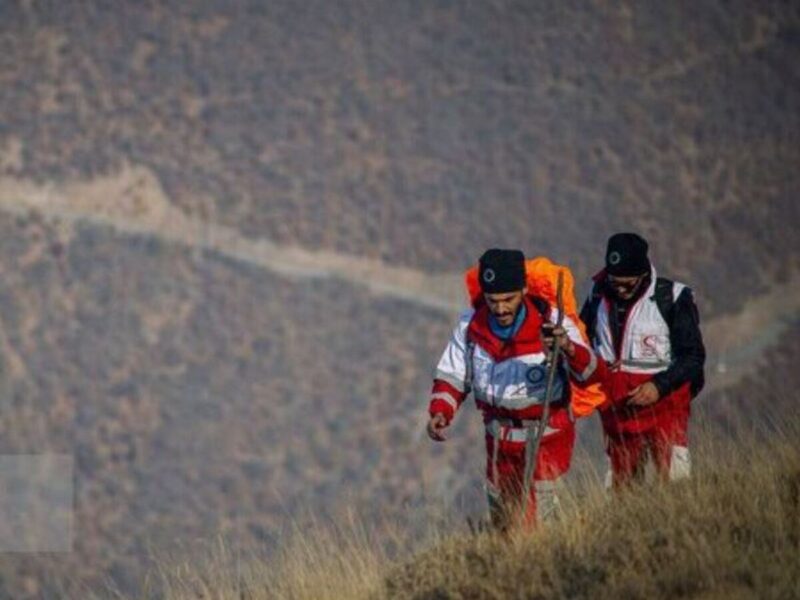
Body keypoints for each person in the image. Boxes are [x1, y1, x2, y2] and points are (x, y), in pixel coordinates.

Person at [426, 249, 602, 529]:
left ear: (523, 289)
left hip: (547, 437)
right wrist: (440, 412)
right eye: (493, 300)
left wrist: (567, 347)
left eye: (508, 299)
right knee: (503, 517)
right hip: (499, 440)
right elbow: (452, 375)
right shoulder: (470, 326)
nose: (500, 308)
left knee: (546, 519)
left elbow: (591, 374)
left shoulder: (554, 324)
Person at [577, 233, 706, 486]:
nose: (620, 289)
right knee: (620, 486)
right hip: (616, 412)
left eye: (628, 283)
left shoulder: (673, 297)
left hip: (665, 408)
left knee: (674, 481)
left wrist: (659, 386)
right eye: (615, 282)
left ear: (644, 274)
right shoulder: (597, 295)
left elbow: (693, 356)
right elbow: (584, 339)